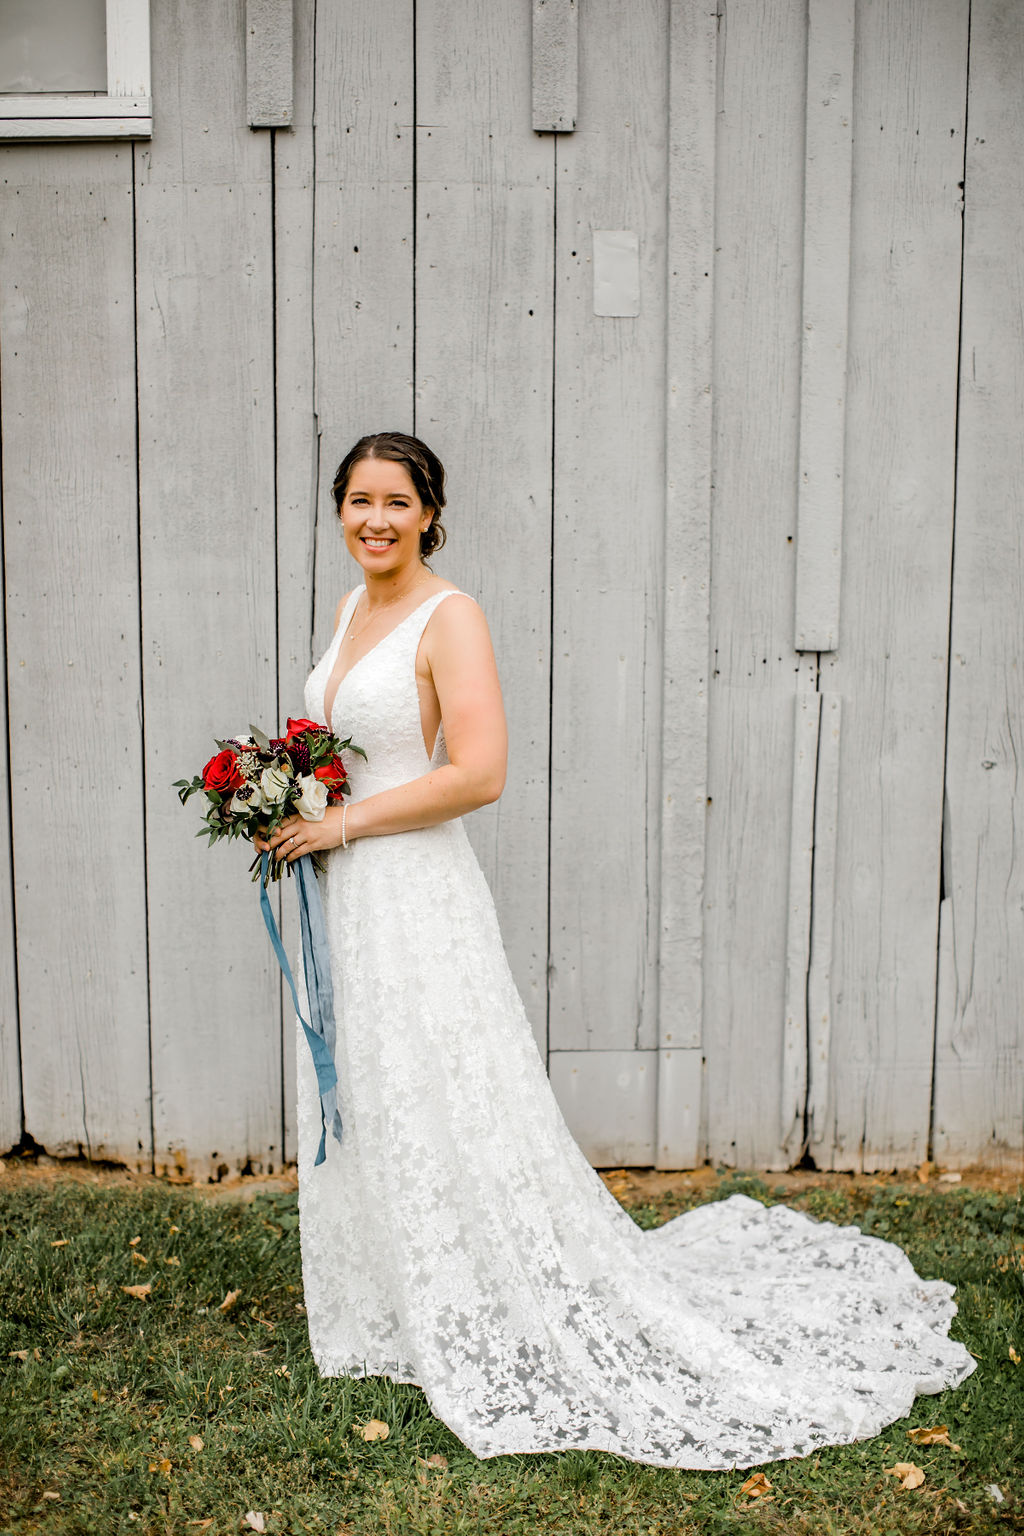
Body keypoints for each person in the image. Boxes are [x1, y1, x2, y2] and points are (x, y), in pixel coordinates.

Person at [258, 430, 975, 1468]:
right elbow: (342, 745)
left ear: (429, 513)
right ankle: (404, 1301)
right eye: (358, 501)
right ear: (339, 510)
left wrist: (340, 824)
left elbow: (479, 773)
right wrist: (291, 794)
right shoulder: (349, 609)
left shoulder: (449, 617)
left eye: (396, 504)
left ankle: (495, 1292)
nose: (375, 520)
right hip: (346, 892)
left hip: (412, 891)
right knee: (375, 1088)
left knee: (444, 1088)